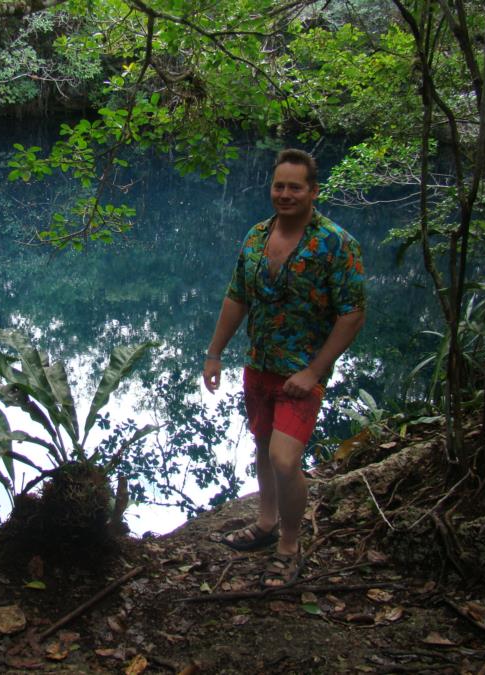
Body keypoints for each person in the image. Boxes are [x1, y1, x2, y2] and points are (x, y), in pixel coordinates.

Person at [203, 148, 366, 587]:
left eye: (295, 187)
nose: (285, 194)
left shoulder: (335, 243)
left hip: (301, 376)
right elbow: (237, 296)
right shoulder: (257, 236)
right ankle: (265, 522)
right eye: (279, 186)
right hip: (259, 366)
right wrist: (215, 351)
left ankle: (290, 546)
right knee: (261, 445)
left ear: (313, 191)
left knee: (284, 457)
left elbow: (352, 313)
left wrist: (314, 371)